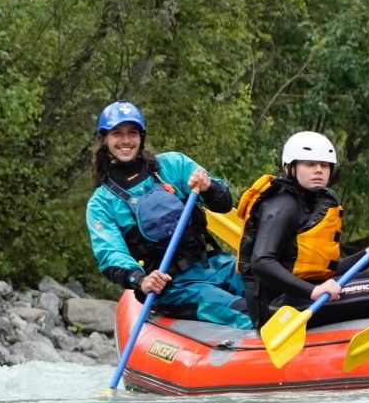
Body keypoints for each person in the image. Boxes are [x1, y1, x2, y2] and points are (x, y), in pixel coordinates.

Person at [85, 100, 250, 328]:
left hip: (210, 264)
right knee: (245, 310)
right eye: (117, 133)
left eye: (132, 133)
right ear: (105, 139)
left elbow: (223, 203)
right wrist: (141, 280)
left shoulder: (173, 165)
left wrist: (208, 187)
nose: (126, 140)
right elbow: (110, 253)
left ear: (141, 136)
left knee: (264, 283)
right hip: (172, 287)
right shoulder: (102, 203)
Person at [236, 131, 369, 329]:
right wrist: (313, 291)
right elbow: (261, 262)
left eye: (324, 165)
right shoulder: (282, 205)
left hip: (301, 295)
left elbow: (322, 272)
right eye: (310, 164)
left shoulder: (313, 201)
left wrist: (368, 255)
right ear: (290, 167)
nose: (319, 170)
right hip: (276, 309)